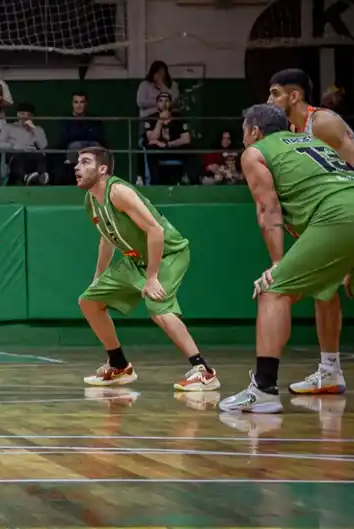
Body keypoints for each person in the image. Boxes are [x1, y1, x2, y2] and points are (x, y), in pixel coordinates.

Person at [220, 104, 354, 413]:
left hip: (338, 216)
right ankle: (330, 370)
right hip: (344, 208)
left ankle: (264, 389)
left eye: (244, 131)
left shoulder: (254, 153)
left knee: (273, 290)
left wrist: (277, 263)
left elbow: (268, 209)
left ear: (254, 131)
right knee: (325, 289)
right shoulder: (313, 141)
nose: (243, 138)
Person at [74, 146, 219, 390]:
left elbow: (156, 230)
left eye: (85, 162)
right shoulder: (91, 200)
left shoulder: (118, 192)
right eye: (77, 162)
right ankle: (119, 365)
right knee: (89, 301)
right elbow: (107, 239)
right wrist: (98, 277)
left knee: (158, 307)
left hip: (168, 254)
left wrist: (152, 277)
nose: (77, 167)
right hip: (135, 259)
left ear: (102, 169)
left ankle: (204, 371)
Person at [266, 69, 354, 396]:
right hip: (325, 220)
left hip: (345, 213)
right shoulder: (288, 133)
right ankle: (330, 370)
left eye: (275, 93)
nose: (269, 100)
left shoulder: (323, 122)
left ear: (294, 96)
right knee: (323, 290)